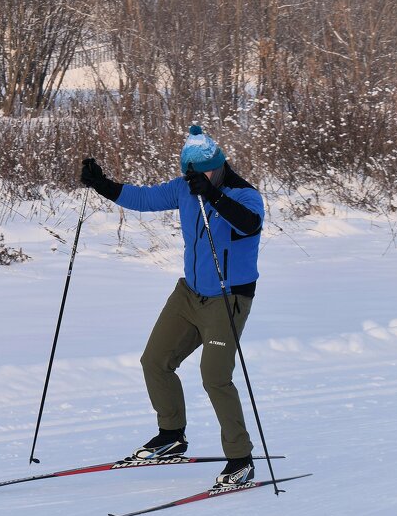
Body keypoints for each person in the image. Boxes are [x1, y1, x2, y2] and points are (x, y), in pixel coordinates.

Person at [80, 125, 264, 487]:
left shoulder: (244, 195)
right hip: (189, 294)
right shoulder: (185, 188)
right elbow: (145, 199)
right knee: (155, 361)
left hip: (228, 299)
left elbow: (249, 225)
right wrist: (103, 185)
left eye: (201, 173)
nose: (193, 178)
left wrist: (213, 196)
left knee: (215, 377)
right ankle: (171, 437)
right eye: (189, 173)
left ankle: (241, 460)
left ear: (218, 165)